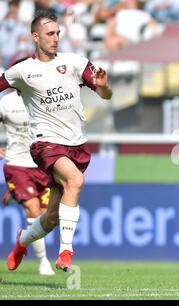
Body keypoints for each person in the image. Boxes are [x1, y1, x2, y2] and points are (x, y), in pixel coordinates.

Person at [0, 10, 112, 273]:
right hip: (45, 144)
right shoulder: (22, 71)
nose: (56, 38)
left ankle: (21, 242)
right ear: (35, 37)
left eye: (58, 33)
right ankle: (66, 253)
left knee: (51, 218)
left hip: (76, 145)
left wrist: (104, 86)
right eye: (50, 34)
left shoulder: (74, 62)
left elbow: (105, 94)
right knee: (76, 181)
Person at [0, 82, 54, 276]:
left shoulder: (44, 99)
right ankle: (44, 262)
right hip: (17, 165)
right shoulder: (5, 103)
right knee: (33, 210)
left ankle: (22, 236)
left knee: (48, 218)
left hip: (41, 166)